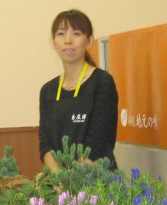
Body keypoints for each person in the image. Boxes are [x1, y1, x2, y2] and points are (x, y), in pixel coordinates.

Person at [38, 9, 119, 172]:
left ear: (89, 41)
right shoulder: (48, 90)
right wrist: (59, 179)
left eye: (76, 33)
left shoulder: (102, 82)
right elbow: (45, 144)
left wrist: (72, 181)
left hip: (96, 183)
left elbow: (98, 140)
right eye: (61, 34)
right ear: (53, 41)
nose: (68, 40)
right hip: (59, 187)